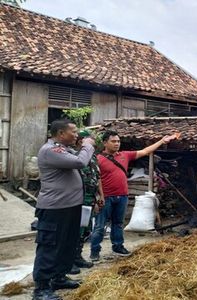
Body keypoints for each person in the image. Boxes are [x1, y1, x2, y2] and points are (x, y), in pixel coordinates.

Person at [90, 130, 179, 261]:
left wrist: (161, 141)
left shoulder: (124, 155)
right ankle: (95, 251)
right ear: (105, 143)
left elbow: (145, 151)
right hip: (106, 197)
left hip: (122, 195)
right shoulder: (98, 159)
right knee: (99, 225)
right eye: (113, 141)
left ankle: (118, 246)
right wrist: (100, 196)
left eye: (118, 141)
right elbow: (97, 180)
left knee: (118, 223)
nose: (117, 144)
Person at [33, 119, 95, 300]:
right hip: (54, 208)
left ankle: (59, 277)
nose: (77, 135)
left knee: (67, 244)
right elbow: (80, 162)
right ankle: (41, 288)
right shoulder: (50, 150)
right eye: (73, 132)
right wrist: (88, 145)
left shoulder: (64, 149)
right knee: (49, 246)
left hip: (70, 206)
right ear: (60, 134)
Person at [72, 130, 104, 270]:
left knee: (85, 230)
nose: (94, 142)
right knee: (75, 230)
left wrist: (100, 196)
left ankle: (77, 257)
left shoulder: (93, 157)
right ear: (81, 141)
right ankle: (70, 260)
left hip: (90, 199)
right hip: (78, 199)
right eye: (91, 139)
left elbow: (97, 179)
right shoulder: (74, 156)